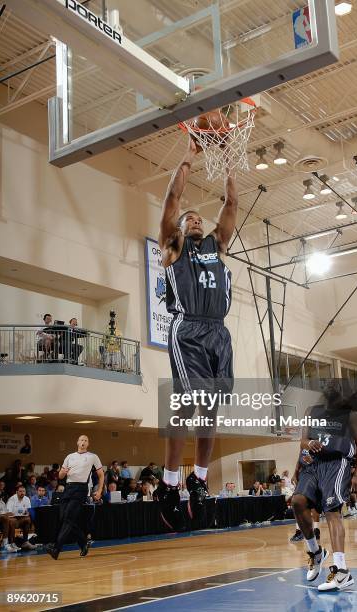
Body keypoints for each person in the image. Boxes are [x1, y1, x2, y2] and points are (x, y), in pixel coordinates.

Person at [156, 135, 237, 531]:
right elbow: (172, 198)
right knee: (188, 404)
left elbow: (232, 206)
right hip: (187, 328)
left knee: (212, 409)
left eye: (198, 219)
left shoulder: (215, 246)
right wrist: (189, 156)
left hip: (218, 333)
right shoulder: (173, 247)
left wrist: (228, 166)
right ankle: (168, 484)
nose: (196, 220)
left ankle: (198, 479)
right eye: (190, 218)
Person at [291, 381, 357, 591]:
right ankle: (315, 552)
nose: (333, 390)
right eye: (330, 387)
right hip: (312, 464)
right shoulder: (311, 411)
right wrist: (301, 457)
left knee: (333, 513)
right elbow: (303, 441)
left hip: (336, 463)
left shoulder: (351, 415)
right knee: (297, 502)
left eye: (337, 388)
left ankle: (342, 571)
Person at [45, 435, 104, 560]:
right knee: (65, 518)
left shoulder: (93, 457)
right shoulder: (69, 457)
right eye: (81, 440)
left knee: (68, 520)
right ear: (77, 442)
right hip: (68, 488)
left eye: (85, 440)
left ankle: (56, 549)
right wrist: (62, 473)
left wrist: (99, 491)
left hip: (80, 489)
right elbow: (60, 476)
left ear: (88, 443)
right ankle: (83, 543)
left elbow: (101, 475)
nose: (83, 442)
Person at [6, 485, 34, 551]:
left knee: (28, 519)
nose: (22, 493)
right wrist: (15, 515)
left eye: (24, 491)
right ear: (17, 492)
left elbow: (28, 511)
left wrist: (27, 513)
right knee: (12, 521)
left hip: (22, 519)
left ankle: (25, 542)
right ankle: (12, 543)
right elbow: (8, 513)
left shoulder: (27, 499)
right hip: (12, 519)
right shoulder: (12, 499)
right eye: (20, 491)